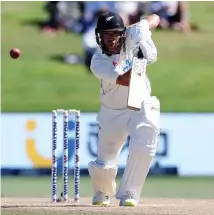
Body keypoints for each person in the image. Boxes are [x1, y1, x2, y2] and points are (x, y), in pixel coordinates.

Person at [88, 11, 160, 207]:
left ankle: (130, 191)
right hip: (112, 112)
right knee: (105, 160)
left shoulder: (132, 33)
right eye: (106, 36)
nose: (111, 41)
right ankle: (102, 192)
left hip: (139, 104)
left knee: (147, 138)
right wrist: (140, 60)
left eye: (115, 35)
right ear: (99, 36)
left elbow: (154, 18)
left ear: (123, 33)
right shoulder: (98, 61)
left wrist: (143, 34)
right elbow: (126, 79)